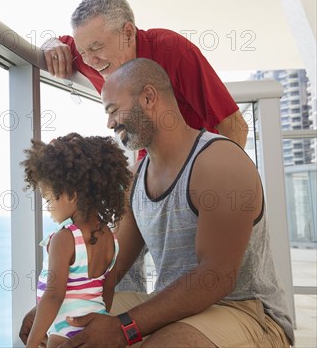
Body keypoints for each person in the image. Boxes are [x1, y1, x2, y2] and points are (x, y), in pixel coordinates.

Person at [49, 58, 293, 347]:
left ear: (149, 97)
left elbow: (215, 276)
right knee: (67, 329)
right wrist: (55, 307)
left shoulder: (219, 162)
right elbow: (112, 266)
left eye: (113, 110)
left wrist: (122, 328)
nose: (110, 122)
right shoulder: (136, 178)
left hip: (245, 312)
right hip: (178, 307)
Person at [41, 0, 248, 152]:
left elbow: (234, 126)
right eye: (83, 51)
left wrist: (222, 184)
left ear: (128, 33)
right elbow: (54, 45)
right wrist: (50, 43)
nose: (90, 60)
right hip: (151, 163)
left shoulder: (174, 51)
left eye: (96, 48)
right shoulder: (88, 54)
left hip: (199, 163)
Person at [19, 133, 132, 348]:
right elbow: (107, 291)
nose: (48, 207)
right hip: (95, 332)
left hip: (64, 332)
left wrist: (32, 343)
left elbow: (54, 296)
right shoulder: (111, 239)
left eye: (49, 198)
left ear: (71, 195)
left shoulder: (65, 238)